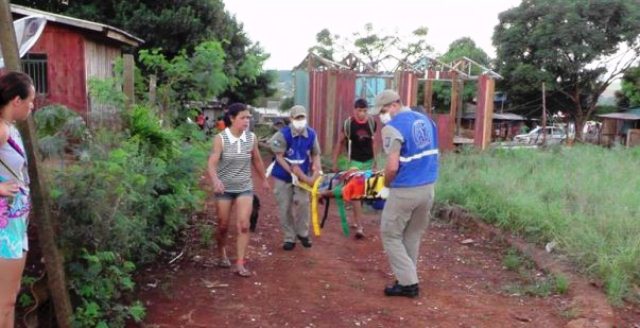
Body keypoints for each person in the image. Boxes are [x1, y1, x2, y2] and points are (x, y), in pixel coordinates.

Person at [372, 90, 438, 298]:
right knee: (412, 234)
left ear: (393, 105)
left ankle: (409, 283)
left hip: (405, 189)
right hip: (428, 188)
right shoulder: (426, 120)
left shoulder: (393, 128)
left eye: (383, 111)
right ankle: (406, 278)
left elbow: (392, 167)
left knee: (390, 234)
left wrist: (385, 185)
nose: (383, 116)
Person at [208, 103, 270, 277]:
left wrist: (264, 179)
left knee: (244, 224)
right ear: (232, 119)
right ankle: (221, 253)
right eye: (243, 117)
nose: (247, 121)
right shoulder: (221, 138)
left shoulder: (251, 138)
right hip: (224, 188)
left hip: (244, 186)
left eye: (248, 117)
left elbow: (257, 160)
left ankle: (240, 263)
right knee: (222, 226)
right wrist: (215, 180)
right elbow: (212, 162)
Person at [0, 72, 35, 326]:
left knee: (9, 298)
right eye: (30, 100)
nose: (32, 105)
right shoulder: (1, 130)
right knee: (5, 300)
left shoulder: (9, 127)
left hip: (16, 223)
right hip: (4, 226)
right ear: (16, 100)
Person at [268, 105, 321, 251]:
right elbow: (279, 157)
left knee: (303, 202)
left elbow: (315, 153)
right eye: (297, 117)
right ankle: (289, 237)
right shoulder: (283, 134)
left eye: (302, 117)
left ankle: (302, 233)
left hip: (302, 174)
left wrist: (317, 168)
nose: (300, 120)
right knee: (285, 206)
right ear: (291, 119)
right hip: (283, 174)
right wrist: (291, 172)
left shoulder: (311, 134)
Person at [331, 98, 378, 239]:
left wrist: (375, 162)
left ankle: (356, 219)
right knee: (357, 194)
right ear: (354, 110)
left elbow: (374, 143)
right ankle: (360, 226)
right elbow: (340, 143)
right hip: (354, 163)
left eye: (364, 111)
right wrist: (335, 162)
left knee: (362, 193)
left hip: (368, 162)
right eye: (359, 110)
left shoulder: (371, 123)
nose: (362, 113)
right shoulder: (348, 124)